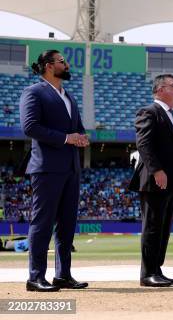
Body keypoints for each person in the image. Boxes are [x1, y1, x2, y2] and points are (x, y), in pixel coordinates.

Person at [19, 50, 89, 292]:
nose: (67, 65)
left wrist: (80, 137)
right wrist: (67, 138)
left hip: (71, 168)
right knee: (42, 222)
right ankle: (35, 277)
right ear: (49, 66)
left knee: (67, 224)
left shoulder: (68, 96)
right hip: (47, 168)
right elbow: (30, 127)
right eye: (62, 62)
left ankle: (63, 275)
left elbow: (76, 128)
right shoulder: (34, 92)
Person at [129, 74, 173, 287]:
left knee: (163, 227)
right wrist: (156, 169)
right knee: (152, 226)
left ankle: (157, 269)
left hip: (172, 181)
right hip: (155, 179)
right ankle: (147, 272)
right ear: (159, 90)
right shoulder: (150, 112)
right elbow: (144, 143)